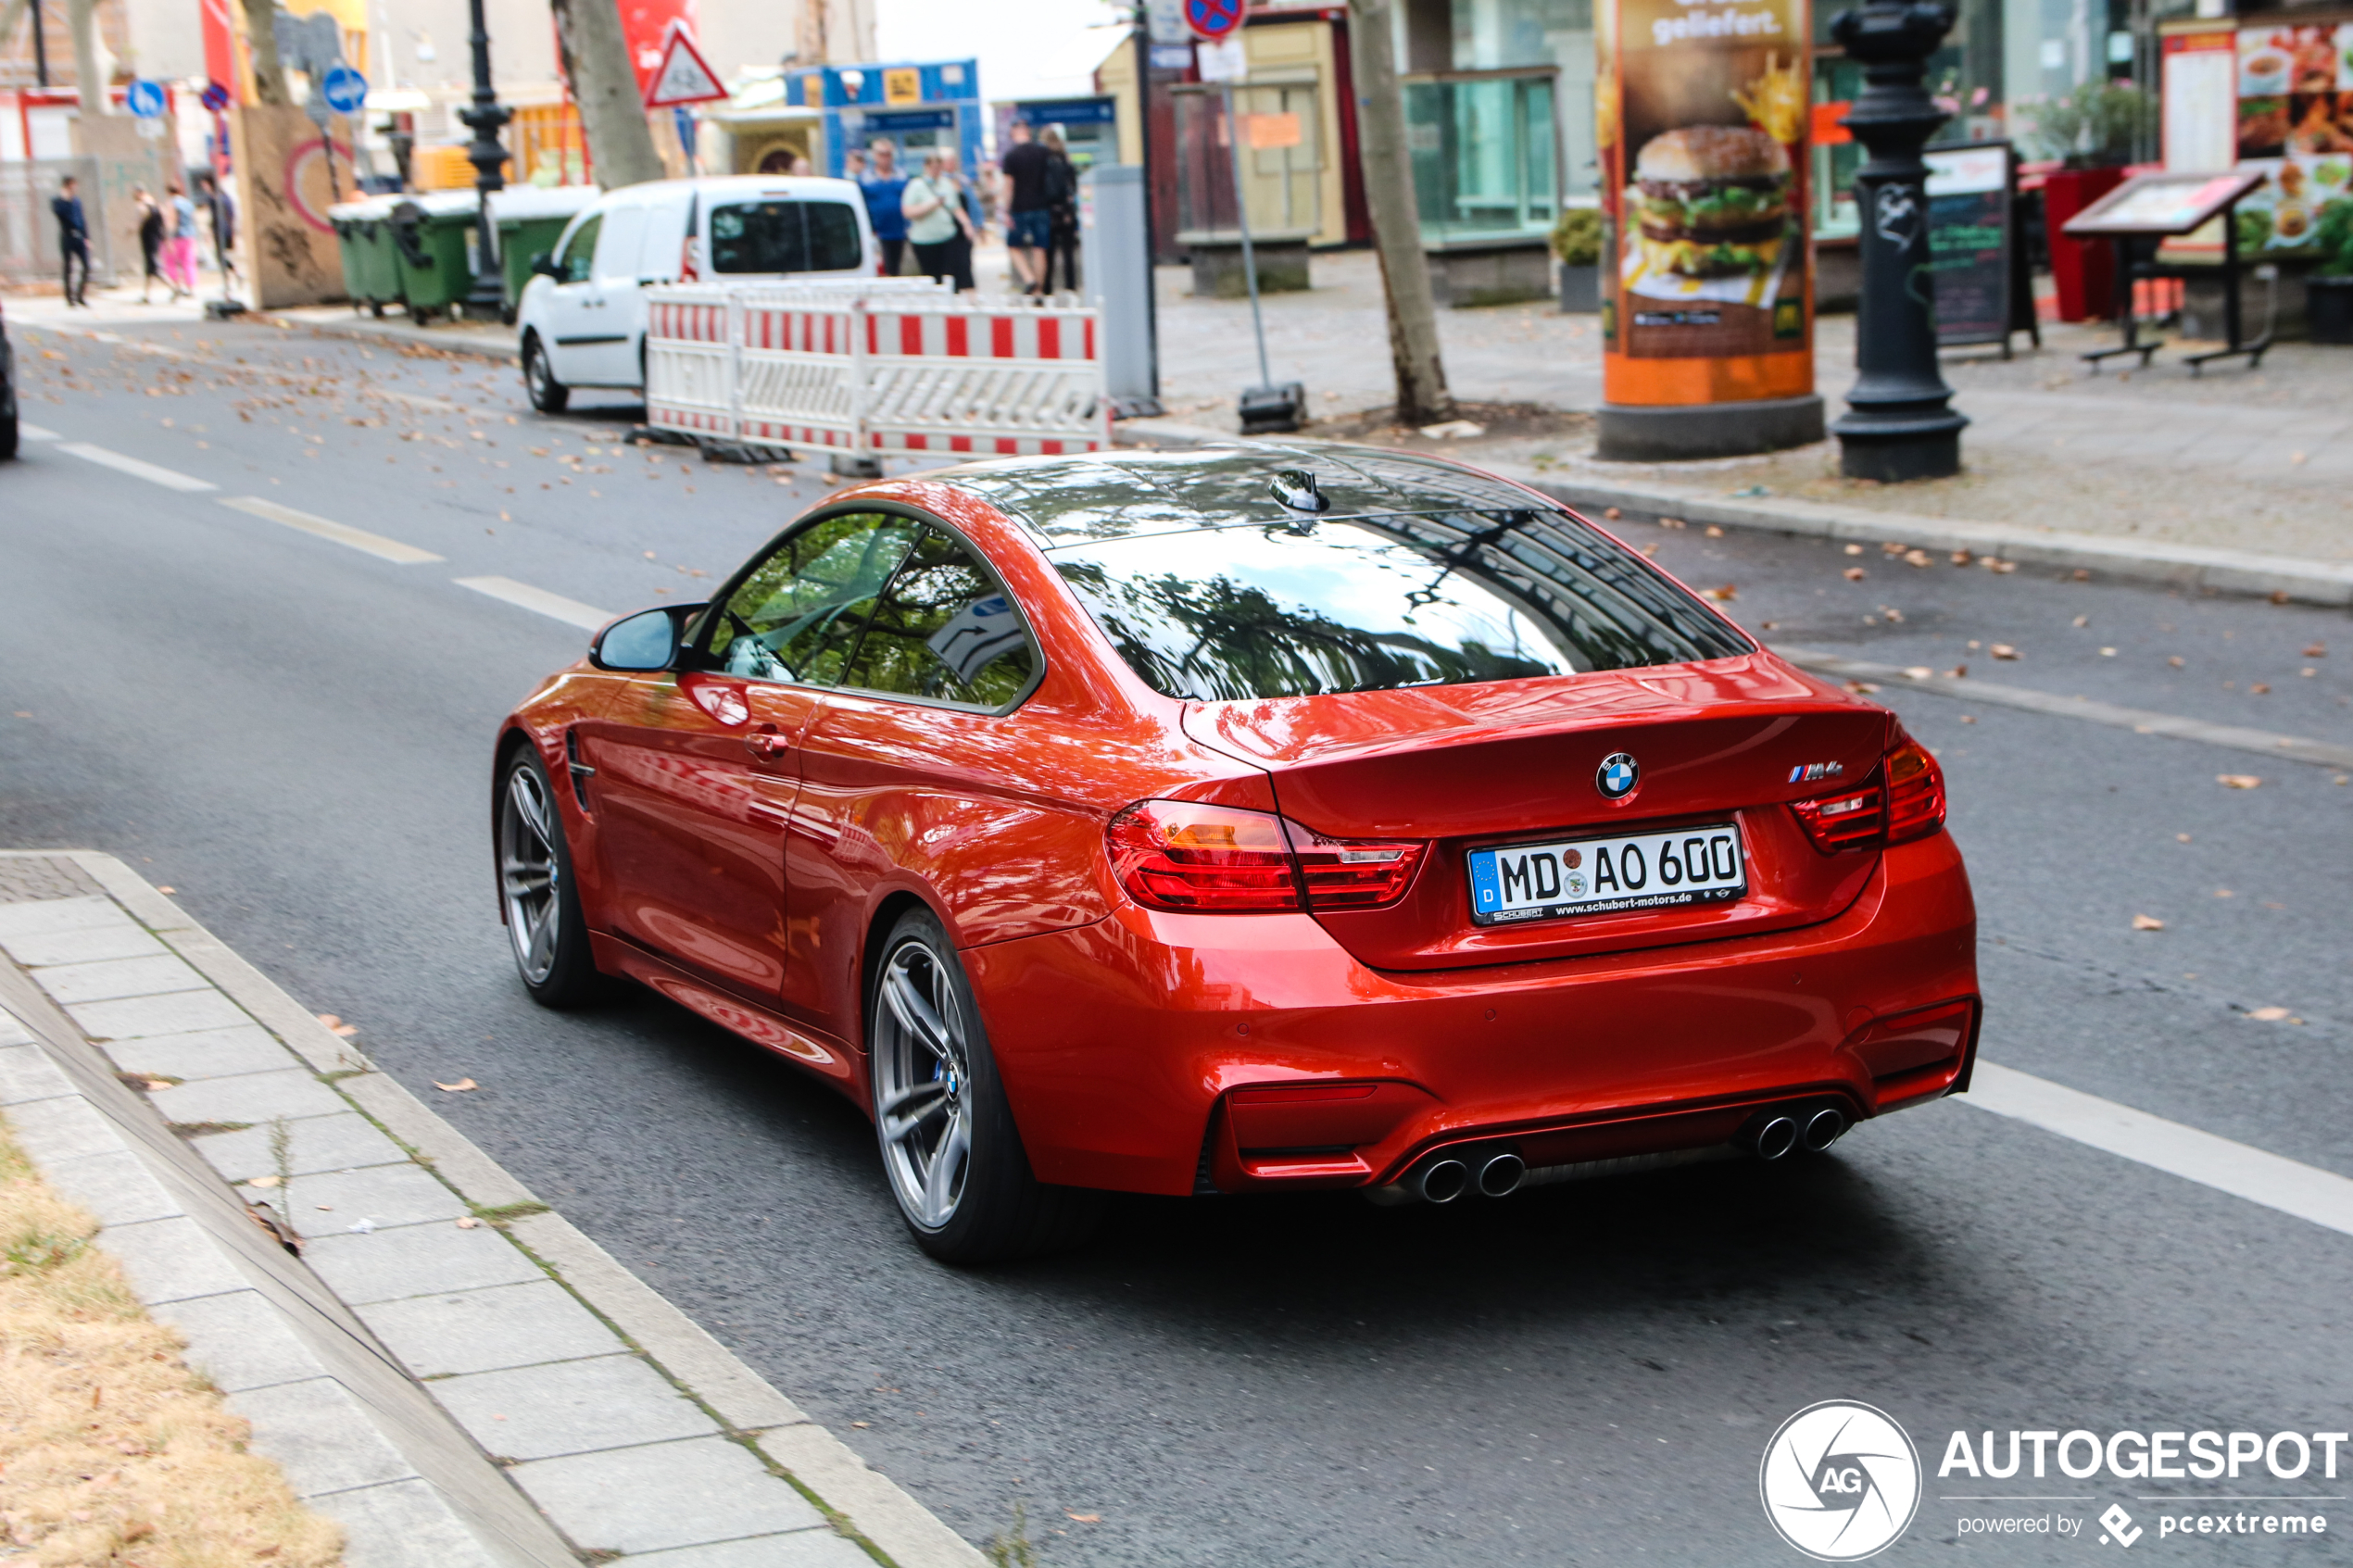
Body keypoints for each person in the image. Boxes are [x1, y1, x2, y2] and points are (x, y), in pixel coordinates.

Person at [901, 152, 976, 293]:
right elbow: (907, 212)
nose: (936, 171)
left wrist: (967, 224)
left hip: (947, 237)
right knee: (932, 277)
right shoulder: (916, 185)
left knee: (951, 274)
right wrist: (932, 204)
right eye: (933, 167)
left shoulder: (946, 184)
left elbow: (955, 207)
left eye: (938, 167)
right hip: (924, 240)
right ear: (926, 167)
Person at [996, 119, 1052, 295]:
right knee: (1040, 248)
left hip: (1019, 208)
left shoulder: (1011, 156)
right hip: (1042, 206)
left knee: (1013, 246)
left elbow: (1009, 186)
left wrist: (1005, 210)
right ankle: (1039, 291)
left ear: (1013, 134)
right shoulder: (1043, 152)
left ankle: (1029, 279)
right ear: (1028, 132)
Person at [1039, 124, 1080, 295]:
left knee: (1048, 253)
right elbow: (1072, 186)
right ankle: (1070, 287)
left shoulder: (1042, 161)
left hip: (1048, 211)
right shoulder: (1065, 159)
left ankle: (1047, 288)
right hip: (1066, 211)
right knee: (1068, 253)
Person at [859, 139, 910, 276]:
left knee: (897, 268)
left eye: (888, 154)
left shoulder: (902, 175)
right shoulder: (866, 178)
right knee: (882, 268)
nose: (885, 158)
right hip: (877, 232)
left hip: (899, 230)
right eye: (882, 154)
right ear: (875, 156)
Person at [52, 175, 91, 307]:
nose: (74, 188)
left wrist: (87, 238)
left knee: (86, 265)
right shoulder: (58, 202)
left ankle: (80, 295)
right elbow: (60, 214)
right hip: (67, 236)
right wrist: (65, 199)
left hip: (79, 236)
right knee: (68, 267)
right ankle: (70, 297)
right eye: (72, 186)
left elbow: (82, 220)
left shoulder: (77, 202)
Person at [196, 171, 238, 289]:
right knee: (221, 256)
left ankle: (228, 281)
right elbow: (231, 214)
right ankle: (234, 275)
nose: (203, 187)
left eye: (204, 184)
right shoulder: (224, 196)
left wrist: (208, 232)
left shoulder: (214, 198)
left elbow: (213, 217)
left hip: (219, 230)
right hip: (226, 229)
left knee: (220, 256)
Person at [165, 181, 199, 299]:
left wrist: (168, 238)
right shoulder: (188, 203)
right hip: (189, 235)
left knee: (171, 262)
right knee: (188, 262)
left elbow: (172, 221)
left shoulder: (172, 203)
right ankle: (191, 288)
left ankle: (177, 286)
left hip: (177, 236)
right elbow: (194, 219)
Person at [134, 186, 167, 304]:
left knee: (154, 268)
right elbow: (163, 219)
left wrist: (132, 229)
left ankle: (174, 287)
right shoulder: (156, 204)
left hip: (149, 239)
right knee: (149, 269)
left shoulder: (143, 205)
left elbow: (139, 221)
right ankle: (147, 295)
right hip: (155, 238)